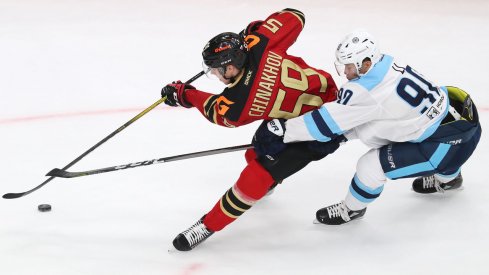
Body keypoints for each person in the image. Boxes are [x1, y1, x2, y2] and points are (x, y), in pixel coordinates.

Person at [161, 8, 342, 251]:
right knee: (257, 149)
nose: (214, 75)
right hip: (323, 93)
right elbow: (295, 15)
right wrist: (254, 31)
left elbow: (214, 109)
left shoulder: (237, 104)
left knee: (254, 178)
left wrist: (184, 94)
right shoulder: (260, 43)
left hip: (321, 129)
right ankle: (270, 181)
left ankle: (208, 225)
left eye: (216, 70)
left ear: (232, 66)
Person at [257, 30, 481, 225]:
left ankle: (351, 209)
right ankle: (450, 178)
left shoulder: (365, 91)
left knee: (370, 166)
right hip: (459, 123)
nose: (345, 72)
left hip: (443, 147)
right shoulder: (386, 64)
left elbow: (321, 124)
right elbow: (380, 118)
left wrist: (283, 129)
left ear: (365, 63)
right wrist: (343, 135)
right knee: (420, 138)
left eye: (348, 66)